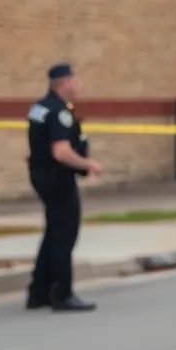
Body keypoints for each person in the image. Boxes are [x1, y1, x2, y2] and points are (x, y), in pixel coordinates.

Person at [26, 63, 102, 312]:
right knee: (64, 235)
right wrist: (87, 163)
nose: (79, 86)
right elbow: (61, 151)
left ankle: (39, 292)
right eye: (76, 82)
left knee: (53, 232)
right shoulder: (60, 112)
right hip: (57, 179)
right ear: (65, 83)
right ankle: (62, 292)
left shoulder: (39, 108)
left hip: (41, 175)